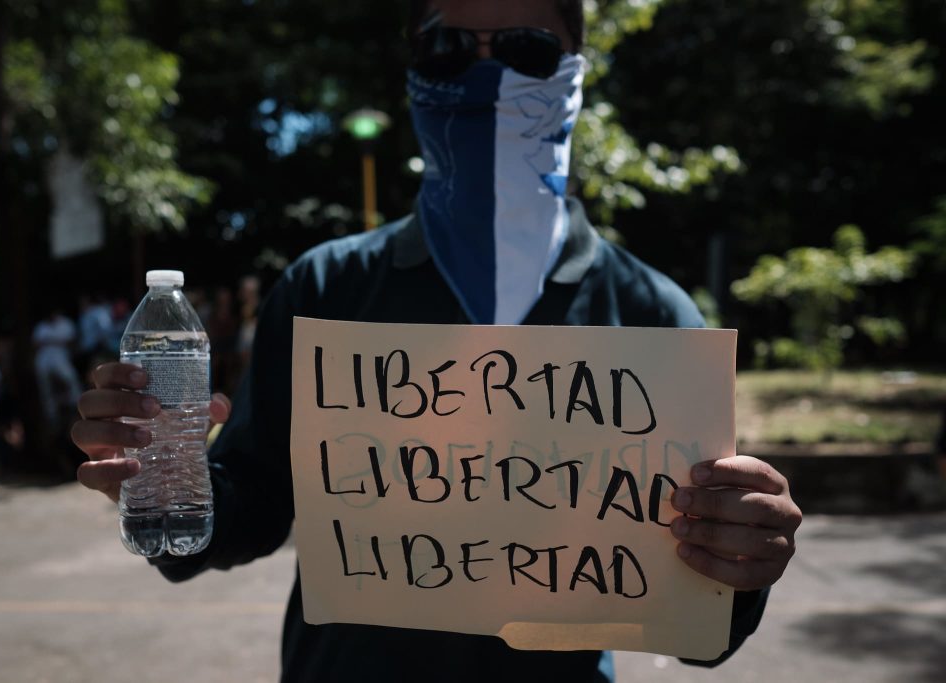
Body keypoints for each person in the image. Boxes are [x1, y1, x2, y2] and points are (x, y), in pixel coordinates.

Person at [72, 2, 802, 681]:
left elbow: (695, 613)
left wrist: (743, 558)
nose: (487, 74)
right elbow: (255, 505)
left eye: (526, 48)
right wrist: (164, 483)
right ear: (413, 64)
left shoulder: (652, 314)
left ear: (577, 66)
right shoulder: (328, 288)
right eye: (450, 46)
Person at [32, 307, 83, 429]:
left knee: (70, 379)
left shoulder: (66, 324)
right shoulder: (41, 327)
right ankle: (52, 416)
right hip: (44, 361)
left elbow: (73, 341)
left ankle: (77, 406)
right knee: (46, 388)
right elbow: (35, 344)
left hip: (61, 359)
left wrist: (54, 341)